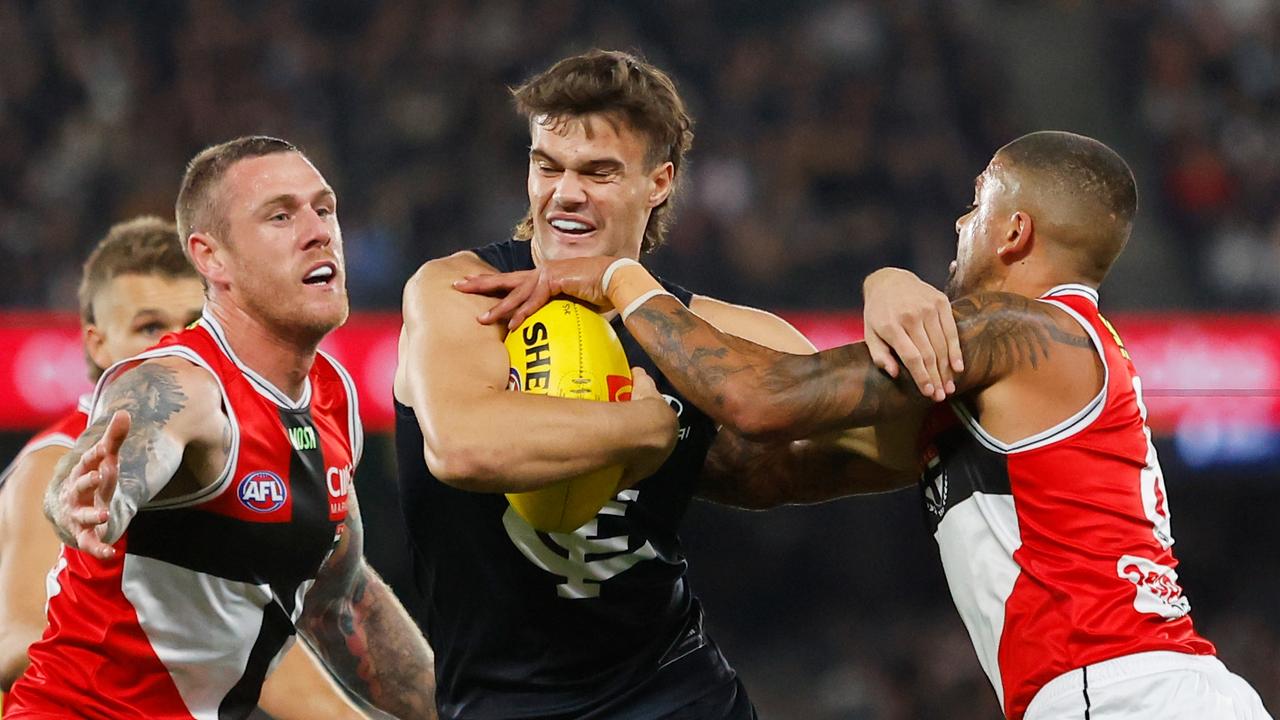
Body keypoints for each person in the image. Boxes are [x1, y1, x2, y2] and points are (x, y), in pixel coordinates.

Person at [460, 131, 1272, 720]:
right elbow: (771, 469)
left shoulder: (1026, 334)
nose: (962, 224)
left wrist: (619, 277)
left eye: (975, 206)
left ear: (1016, 230)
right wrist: (607, 429)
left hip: (1119, 695)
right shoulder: (1041, 368)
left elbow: (763, 398)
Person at [392, 49, 933, 720]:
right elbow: (465, 448)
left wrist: (890, 289)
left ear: (659, 183)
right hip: (502, 706)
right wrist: (644, 427)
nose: (564, 193)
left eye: (598, 172)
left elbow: (899, 441)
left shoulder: (706, 329)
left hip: (676, 693)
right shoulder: (463, 294)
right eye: (546, 165)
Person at [5, 136, 436, 720]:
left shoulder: (330, 397)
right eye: (280, 215)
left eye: (324, 208)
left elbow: (343, 602)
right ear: (212, 258)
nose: (317, 230)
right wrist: (91, 495)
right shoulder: (183, 384)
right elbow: (120, 454)